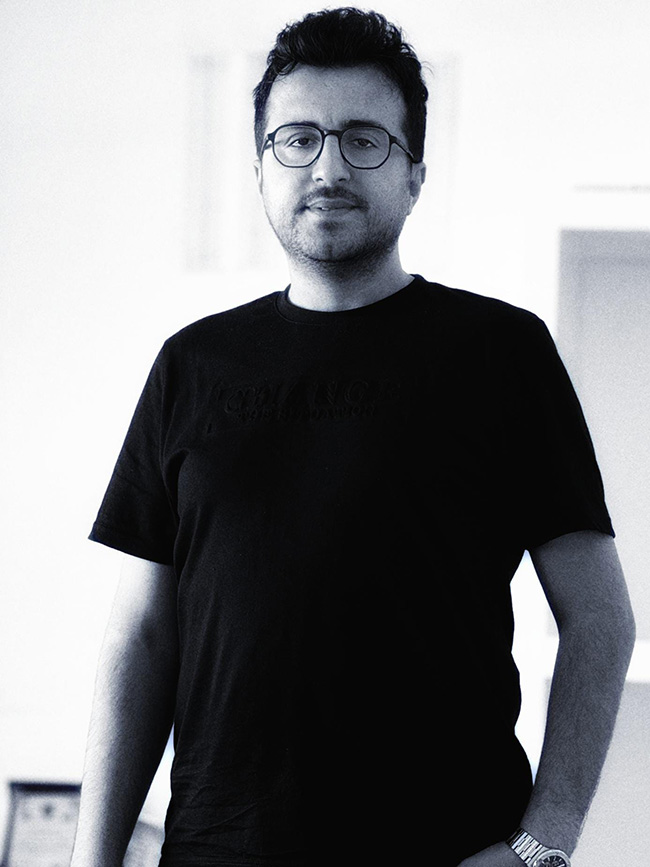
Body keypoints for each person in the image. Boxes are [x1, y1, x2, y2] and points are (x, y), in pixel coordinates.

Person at [71, 8, 636, 867]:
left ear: (414, 174)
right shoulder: (192, 365)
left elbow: (600, 617)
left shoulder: (502, 353)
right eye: (298, 139)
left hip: (443, 847)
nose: (328, 167)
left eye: (364, 140)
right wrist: (92, 859)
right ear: (262, 169)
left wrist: (540, 845)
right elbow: (142, 638)